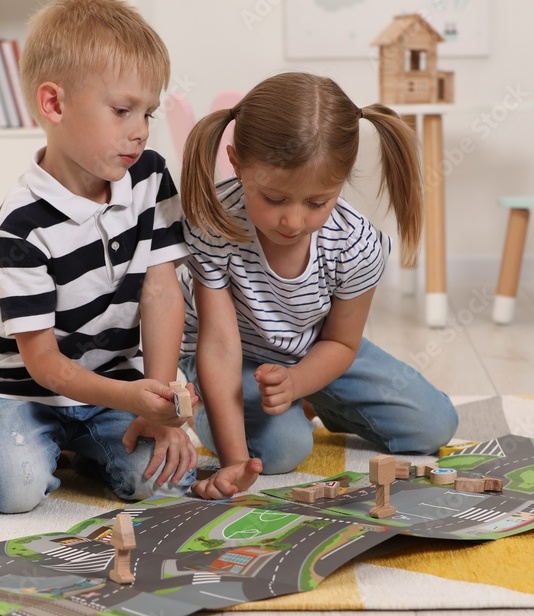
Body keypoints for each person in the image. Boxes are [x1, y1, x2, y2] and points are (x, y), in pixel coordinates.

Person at [0, 0, 197, 513]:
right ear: (54, 105)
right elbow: (44, 364)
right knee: (13, 491)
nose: (141, 130)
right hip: (24, 390)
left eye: (147, 113)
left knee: (163, 482)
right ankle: (24, 439)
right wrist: (132, 401)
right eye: (122, 110)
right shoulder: (22, 225)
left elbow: (160, 291)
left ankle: (86, 449)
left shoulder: (150, 176)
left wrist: (158, 394)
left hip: (114, 377)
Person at [178, 72, 458, 500]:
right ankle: (206, 411)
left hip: (318, 348)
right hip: (234, 359)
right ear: (236, 163)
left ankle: (314, 400)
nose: (292, 222)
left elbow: (343, 345)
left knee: (435, 425)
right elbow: (218, 346)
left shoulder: (356, 243)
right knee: (280, 450)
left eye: (316, 202)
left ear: (343, 179)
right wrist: (235, 460)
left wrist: (299, 381)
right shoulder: (214, 225)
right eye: (273, 199)